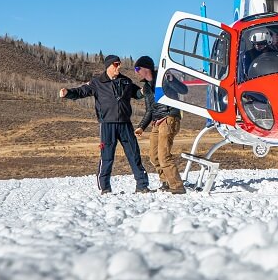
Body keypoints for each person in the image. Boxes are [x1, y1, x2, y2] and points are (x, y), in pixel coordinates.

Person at [60, 55, 150, 194]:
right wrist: (68, 93)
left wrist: (143, 92)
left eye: (119, 64)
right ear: (108, 66)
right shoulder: (97, 82)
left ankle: (142, 185)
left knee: (134, 154)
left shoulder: (125, 81)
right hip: (107, 125)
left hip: (125, 124)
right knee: (107, 157)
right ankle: (105, 188)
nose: (118, 66)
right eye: (116, 64)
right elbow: (81, 91)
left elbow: (136, 93)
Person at [133, 55, 185, 194]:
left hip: (169, 118)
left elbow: (183, 90)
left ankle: (177, 186)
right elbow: (150, 109)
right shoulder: (147, 87)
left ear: (146, 68)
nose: (136, 71)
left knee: (164, 155)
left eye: (138, 68)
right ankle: (166, 181)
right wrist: (141, 126)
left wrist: (172, 80)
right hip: (156, 122)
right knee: (154, 156)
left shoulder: (163, 78)